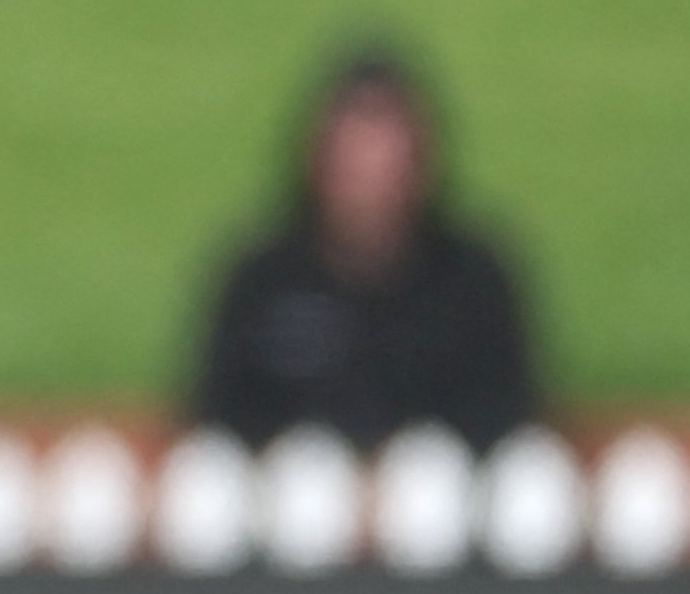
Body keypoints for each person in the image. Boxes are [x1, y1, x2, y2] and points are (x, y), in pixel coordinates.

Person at [190, 40, 541, 450]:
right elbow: (220, 418)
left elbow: (508, 417)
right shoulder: (262, 280)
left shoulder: (475, 280)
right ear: (316, 158)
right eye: (354, 154)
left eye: (387, 155)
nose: (371, 175)